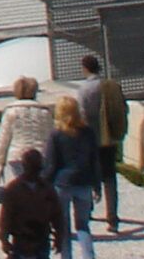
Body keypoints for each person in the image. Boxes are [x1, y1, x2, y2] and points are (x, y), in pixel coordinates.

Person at [74, 51, 127, 233]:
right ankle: (112, 218)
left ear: (85, 68)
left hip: (89, 139)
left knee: (89, 176)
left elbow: (80, 114)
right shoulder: (111, 86)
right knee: (110, 178)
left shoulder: (83, 89)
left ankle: (87, 210)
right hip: (109, 137)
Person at [46, 92, 101, 259]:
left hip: (62, 184)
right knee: (83, 225)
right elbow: (94, 161)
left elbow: (51, 165)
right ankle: (88, 256)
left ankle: (66, 257)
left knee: (63, 226)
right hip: (84, 183)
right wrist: (97, 186)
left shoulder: (56, 135)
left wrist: (43, 185)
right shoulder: (88, 132)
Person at [0, 145, 66, 258]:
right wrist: (59, 236)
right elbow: (57, 216)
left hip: (32, 241)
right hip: (27, 241)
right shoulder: (46, 188)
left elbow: (5, 218)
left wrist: (4, 239)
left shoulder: (14, 188)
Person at [0, 76, 55, 191]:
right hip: (40, 154)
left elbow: (3, 138)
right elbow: (51, 135)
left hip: (17, 155)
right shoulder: (45, 112)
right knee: (40, 188)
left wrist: (1, 161)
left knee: (23, 188)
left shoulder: (11, 112)